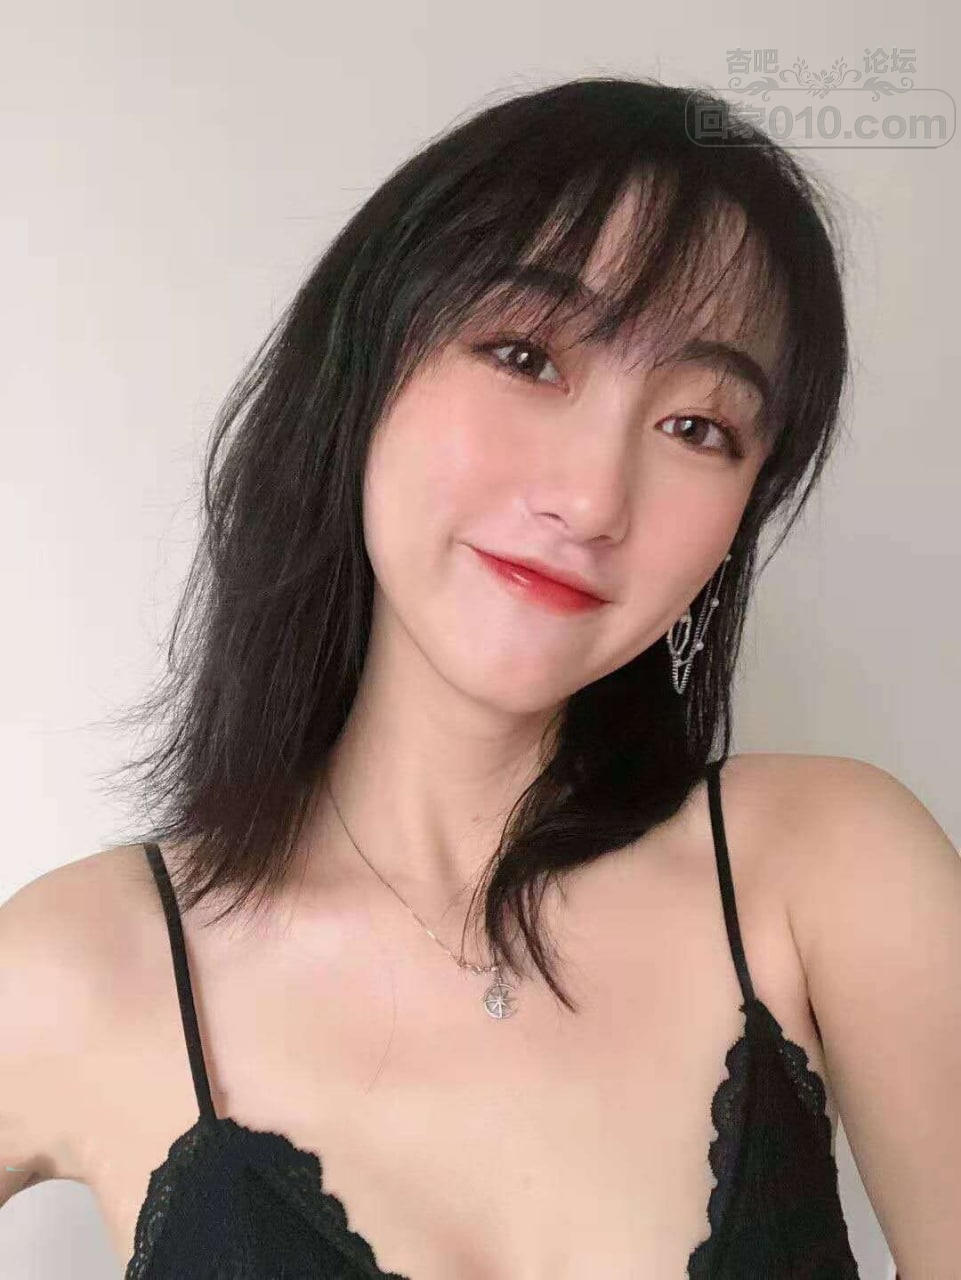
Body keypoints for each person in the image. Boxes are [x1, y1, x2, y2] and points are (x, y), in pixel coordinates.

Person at [2, 75, 958, 1279]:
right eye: (526, 354)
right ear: (362, 369)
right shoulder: (80, 966)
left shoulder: (827, 869)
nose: (593, 498)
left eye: (697, 426)